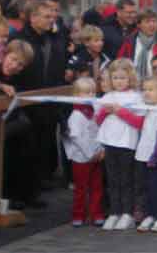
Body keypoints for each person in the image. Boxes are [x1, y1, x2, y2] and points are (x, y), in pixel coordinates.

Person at [11, 0, 69, 187]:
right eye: (46, 16)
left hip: (49, 101)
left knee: (43, 145)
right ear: (33, 17)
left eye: (53, 16)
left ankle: (36, 185)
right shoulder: (20, 39)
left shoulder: (53, 39)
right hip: (25, 102)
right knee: (24, 147)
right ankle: (21, 190)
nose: (51, 20)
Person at [96, 59, 143, 231]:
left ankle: (127, 213)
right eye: (115, 78)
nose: (119, 81)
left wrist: (120, 112)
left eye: (122, 78)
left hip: (127, 143)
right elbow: (98, 121)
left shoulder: (136, 97)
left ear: (130, 78)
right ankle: (114, 212)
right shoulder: (107, 97)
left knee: (126, 180)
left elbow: (139, 122)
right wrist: (104, 111)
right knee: (112, 179)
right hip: (109, 143)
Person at [0, 41, 38, 209]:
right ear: (4, 54)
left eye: (20, 65)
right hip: (1, 126)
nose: (14, 66)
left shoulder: (19, 77)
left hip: (9, 126)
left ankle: (16, 195)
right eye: (13, 59)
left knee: (21, 151)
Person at [62, 77, 105, 228]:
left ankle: (96, 214)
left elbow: (100, 130)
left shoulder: (95, 110)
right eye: (86, 92)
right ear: (77, 95)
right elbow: (76, 138)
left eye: (93, 92)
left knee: (97, 187)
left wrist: (100, 149)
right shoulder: (76, 116)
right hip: (81, 158)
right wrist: (90, 153)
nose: (91, 95)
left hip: (96, 156)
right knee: (81, 188)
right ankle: (78, 215)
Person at [134, 77, 157, 233]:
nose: (146, 92)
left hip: (155, 157)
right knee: (146, 187)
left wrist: (155, 155)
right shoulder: (146, 108)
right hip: (142, 154)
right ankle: (150, 214)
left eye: (151, 89)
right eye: (144, 89)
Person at [117, 10, 157, 81]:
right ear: (139, 25)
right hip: (133, 84)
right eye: (147, 21)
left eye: (154, 21)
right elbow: (120, 63)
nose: (152, 25)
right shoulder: (129, 42)